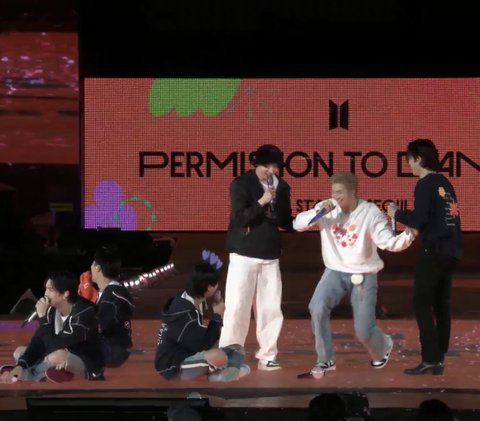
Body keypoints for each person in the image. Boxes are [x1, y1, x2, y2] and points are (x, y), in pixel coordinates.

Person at [293, 172, 417, 377]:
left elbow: (388, 242)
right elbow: (297, 224)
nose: (336, 197)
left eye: (340, 193)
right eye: (334, 192)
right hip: (334, 271)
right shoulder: (327, 208)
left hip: (364, 273)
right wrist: (318, 213)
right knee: (317, 307)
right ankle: (325, 359)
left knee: (363, 330)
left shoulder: (370, 213)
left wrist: (409, 234)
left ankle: (383, 345)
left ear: (352, 192)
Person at [388, 139, 462, 376]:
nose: (409, 164)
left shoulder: (425, 184)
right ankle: (438, 357)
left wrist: (396, 213)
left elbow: (419, 220)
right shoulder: (444, 182)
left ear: (418, 159)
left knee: (422, 303)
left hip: (434, 250)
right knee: (441, 304)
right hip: (451, 250)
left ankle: (430, 358)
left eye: (409, 159)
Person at [219, 144, 293, 371]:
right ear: (256, 165)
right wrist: (262, 200)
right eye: (266, 166)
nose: (271, 171)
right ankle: (230, 356)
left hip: (270, 255)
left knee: (270, 309)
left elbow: (285, 220)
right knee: (237, 308)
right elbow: (240, 218)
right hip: (244, 254)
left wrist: (311, 218)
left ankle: (268, 355)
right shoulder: (241, 184)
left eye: (275, 166)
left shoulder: (282, 187)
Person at [0, 271, 104, 383]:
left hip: (86, 362)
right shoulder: (52, 310)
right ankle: (46, 373)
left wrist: (43, 319)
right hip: (56, 350)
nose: (46, 294)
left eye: (50, 290)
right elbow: (39, 341)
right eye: (46, 289)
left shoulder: (85, 313)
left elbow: (55, 346)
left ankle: (27, 375)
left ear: (65, 294)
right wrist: (21, 365)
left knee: (57, 356)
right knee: (20, 352)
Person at [155, 259, 248, 382]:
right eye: (216, 285)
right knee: (219, 356)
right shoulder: (186, 315)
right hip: (171, 366)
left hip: (185, 353)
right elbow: (204, 346)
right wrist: (217, 316)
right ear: (209, 287)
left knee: (237, 349)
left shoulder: (187, 298)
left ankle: (228, 370)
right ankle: (222, 374)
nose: (218, 288)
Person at [91, 244, 134, 367]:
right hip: (115, 348)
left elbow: (96, 327)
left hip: (112, 351)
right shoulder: (112, 292)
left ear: (98, 267)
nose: (91, 267)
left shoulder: (111, 297)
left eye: (92, 264)